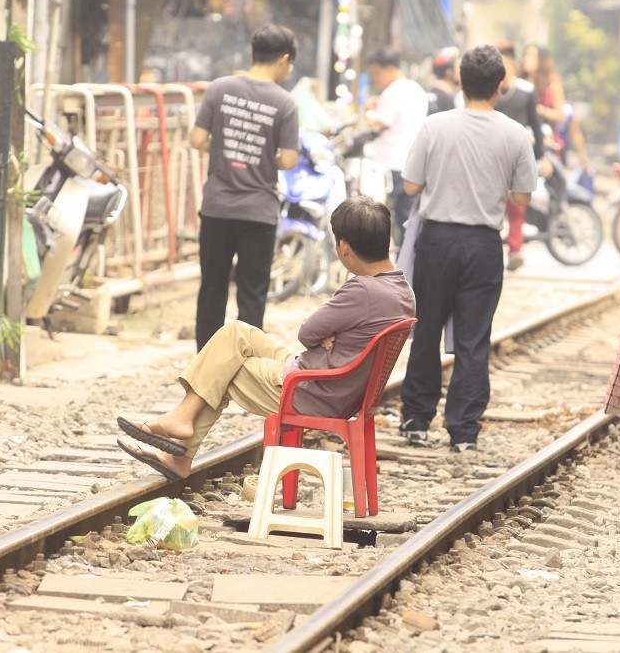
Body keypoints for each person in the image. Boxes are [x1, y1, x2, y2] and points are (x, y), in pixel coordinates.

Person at [116, 196, 416, 479]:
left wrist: (328, 331)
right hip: (333, 381)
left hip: (312, 389)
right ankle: (181, 420)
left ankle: (182, 449)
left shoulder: (361, 290)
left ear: (345, 247)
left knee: (224, 370)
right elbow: (320, 334)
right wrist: (332, 332)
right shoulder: (402, 291)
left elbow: (308, 332)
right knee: (236, 333)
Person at [397, 45, 537, 451]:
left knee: (426, 332)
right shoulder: (514, 133)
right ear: (499, 87)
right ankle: (463, 431)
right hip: (482, 245)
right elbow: (524, 197)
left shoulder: (434, 126)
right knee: (474, 339)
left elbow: (410, 186)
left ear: (460, 81)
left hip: (437, 242)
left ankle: (416, 421)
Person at [189, 25, 300, 350]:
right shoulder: (285, 103)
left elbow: (196, 139)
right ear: (283, 60)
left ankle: (204, 376)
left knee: (211, 290)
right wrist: (264, 157)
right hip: (258, 213)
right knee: (252, 297)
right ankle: (245, 374)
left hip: (217, 208)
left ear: (253, 54)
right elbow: (290, 160)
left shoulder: (219, 88)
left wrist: (226, 148)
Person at [363, 48, 429, 248]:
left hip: (389, 164)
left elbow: (378, 123)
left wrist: (369, 111)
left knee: (378, 220)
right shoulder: (417, 90)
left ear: (390, 69)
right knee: (407, 220)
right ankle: (406, 265)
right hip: (411, 164)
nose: (375, 79)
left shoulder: (393, 92)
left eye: (376, 73)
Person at [496, 41, 544, 272]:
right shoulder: (490, 91)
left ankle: (515, 251)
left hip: (518, 156)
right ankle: (497, 250)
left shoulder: (525, 91)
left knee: (517, 206)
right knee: (494, 205)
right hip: (493, 156)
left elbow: (536, 125)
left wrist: (540, 157)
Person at [520, 44, 567, 148]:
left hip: (546, 141)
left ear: (541, 60)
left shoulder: (552, 82)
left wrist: (540, 110)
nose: (527, 59)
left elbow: (561, 115)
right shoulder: (519, 82)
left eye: (532, 56)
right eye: (526, 55)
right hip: (523, 140)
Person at [426, 46, 461, 115]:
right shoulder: (448, 100)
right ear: (449, 72)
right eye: (459, 68)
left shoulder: (427, 93)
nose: (461, 72)